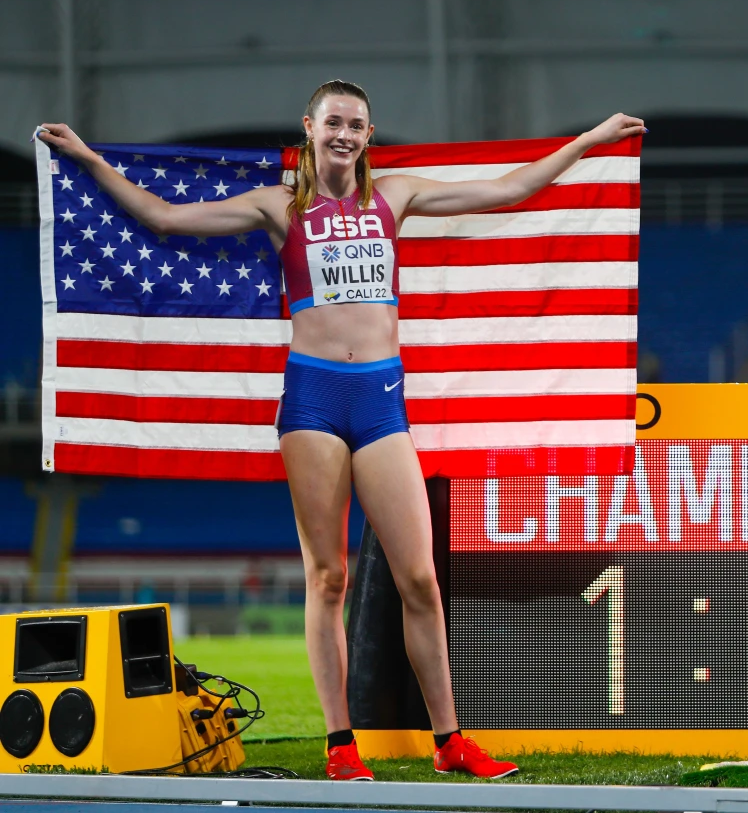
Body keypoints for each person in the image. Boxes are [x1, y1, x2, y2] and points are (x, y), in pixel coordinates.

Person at [39, 80, 645, 781]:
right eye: (334, 123)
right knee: (328, 577)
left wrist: (588, 142)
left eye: (356, 125)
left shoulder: (397, 195)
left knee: (419, 577)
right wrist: (86, 156)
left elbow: (508, 190)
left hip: (381, 398)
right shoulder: (279, 205)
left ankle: (450, 741)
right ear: (310, 127)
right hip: (313, 401)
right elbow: (166, 218)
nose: (345, 135)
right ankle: (340, 745)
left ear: (368, 133)